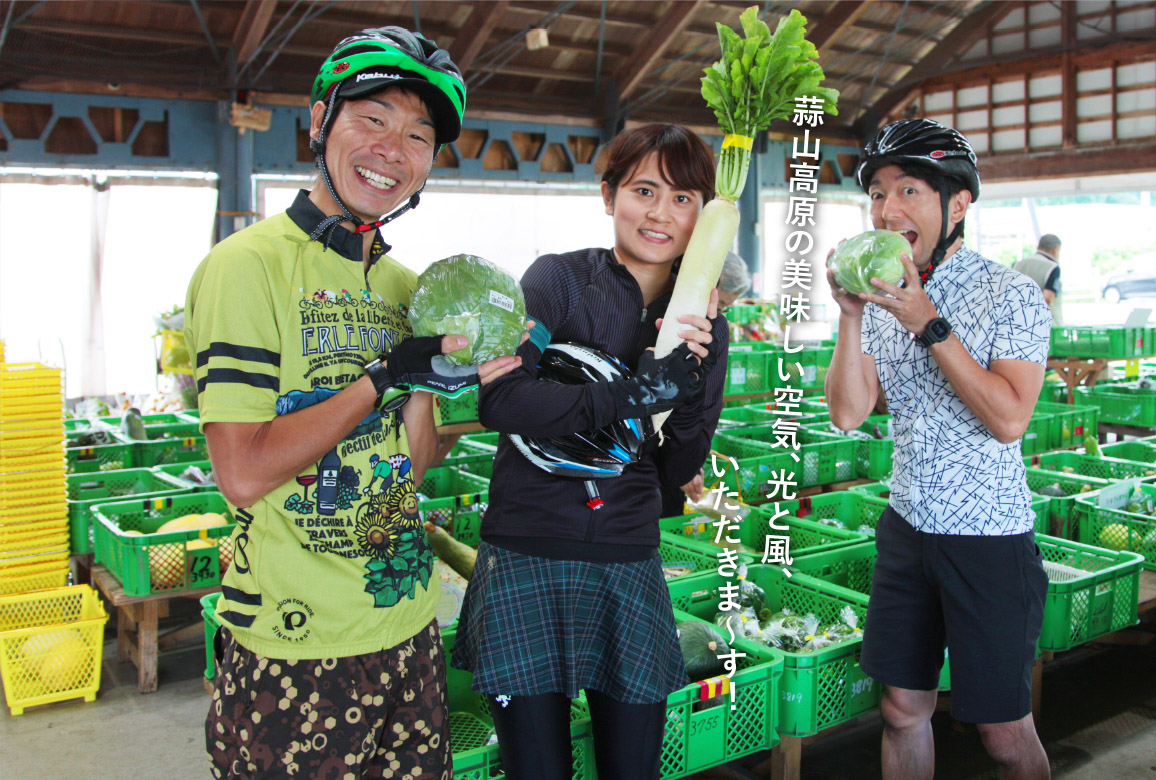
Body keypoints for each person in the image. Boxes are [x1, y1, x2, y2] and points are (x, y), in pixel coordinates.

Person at [187, 26, 525, 779]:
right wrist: (381, 376)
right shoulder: (247, 268)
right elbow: (241, 474)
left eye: (416, 135)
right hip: (291, 643)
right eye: (371, 120)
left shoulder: (409, 289)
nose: (391, 150)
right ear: (318, 121)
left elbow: (411, 461)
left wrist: (431, 387)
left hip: (407, 626)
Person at [452, 123, 728, 780]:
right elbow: (501, 403)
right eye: (644, 190)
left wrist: (696, 378)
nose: (661, 213)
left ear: (704, 215)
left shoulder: (703, 320)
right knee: (536, 770)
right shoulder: (557, 281)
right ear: (609, 196)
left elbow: (678, 470)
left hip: (625, 558)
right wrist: (638, 390)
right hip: (524, 550)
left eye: (684, 199)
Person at [825, 118, 1052, 780]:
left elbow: (1008, 418)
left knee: (1003, 732)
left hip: (987, 536)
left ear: (958, 205)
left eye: (909, 190)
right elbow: (847, 412)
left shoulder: (1011, 295)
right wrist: (850, 314)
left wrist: (925, 320)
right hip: (906, 528)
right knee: (901, 708)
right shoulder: (880, 293)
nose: (887, 209)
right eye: (876, 194)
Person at [660, 249, 752, 516]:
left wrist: (691, 461)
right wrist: (687, 461)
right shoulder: (710, 328)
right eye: (721, 303)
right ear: (715, 280)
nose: (718, 312)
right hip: (660, 472)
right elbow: (702, 403)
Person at [1013, 234, 1063, 325]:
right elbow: (1047, 298)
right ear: (1056, 249)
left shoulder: (1017, 265)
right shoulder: (1052, 267)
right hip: (1045, 326)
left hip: (1018, 323)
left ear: (1038, 247)